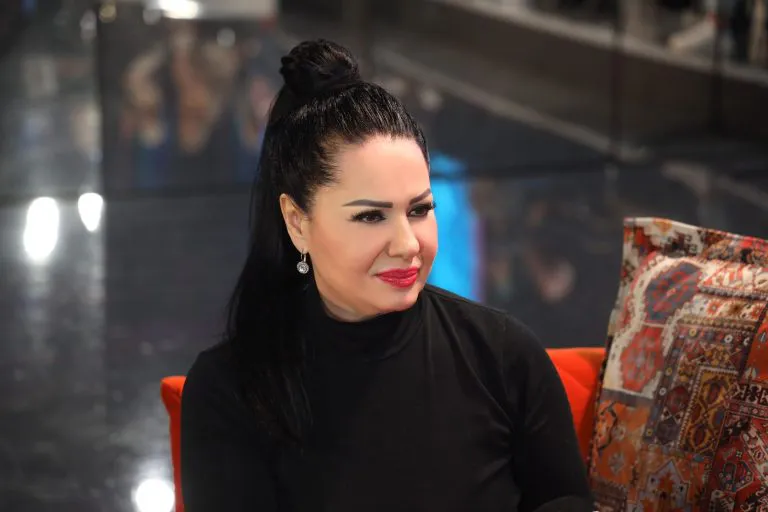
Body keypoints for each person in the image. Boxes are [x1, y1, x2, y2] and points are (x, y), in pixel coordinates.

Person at [180, 39, 593, 512]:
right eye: (371, 216)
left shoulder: (502, 354)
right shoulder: (230, 391)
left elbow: (564, 499)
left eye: (419, 210)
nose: (407, 244)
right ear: (297, 222)